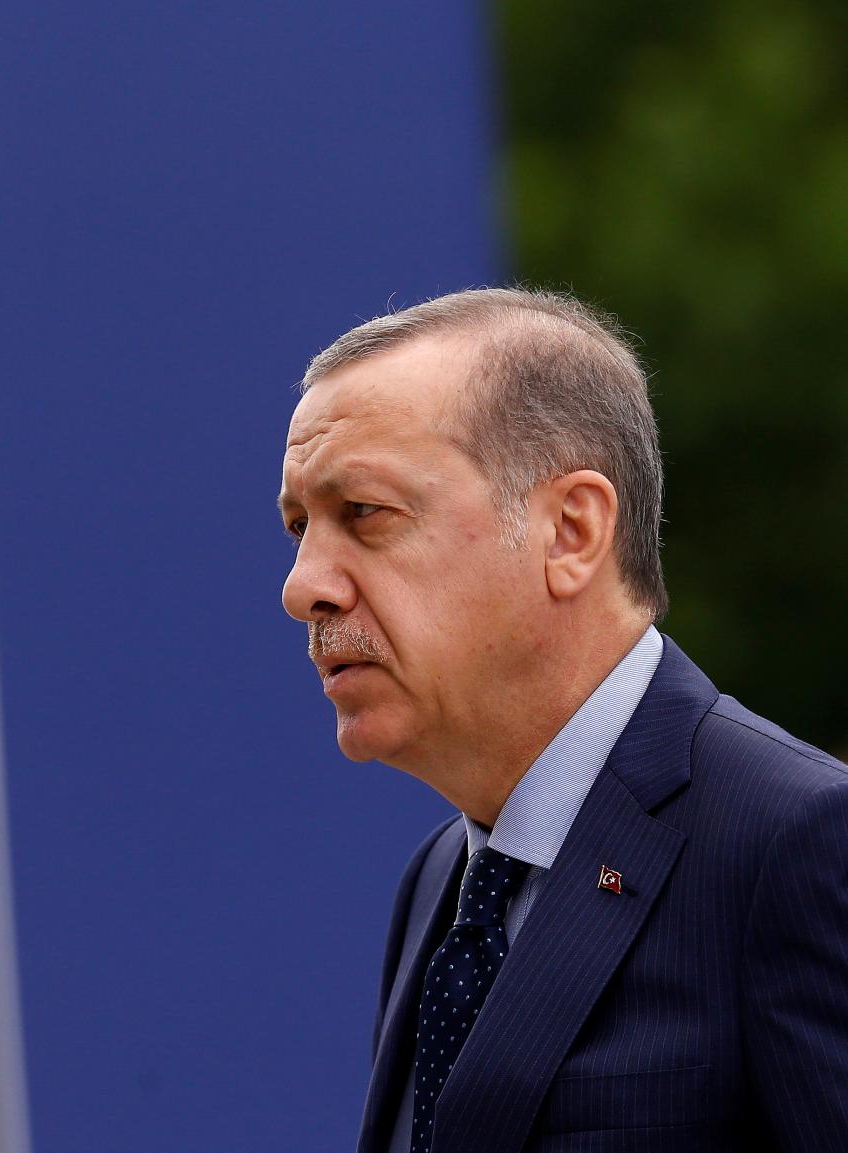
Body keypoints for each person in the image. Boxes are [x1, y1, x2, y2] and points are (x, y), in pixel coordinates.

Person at [276, 287, 848, 1153]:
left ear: (572, 531)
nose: (303, 586)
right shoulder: (439, 882)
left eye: (364, 513)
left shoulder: (798, 838)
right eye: (298, 527)